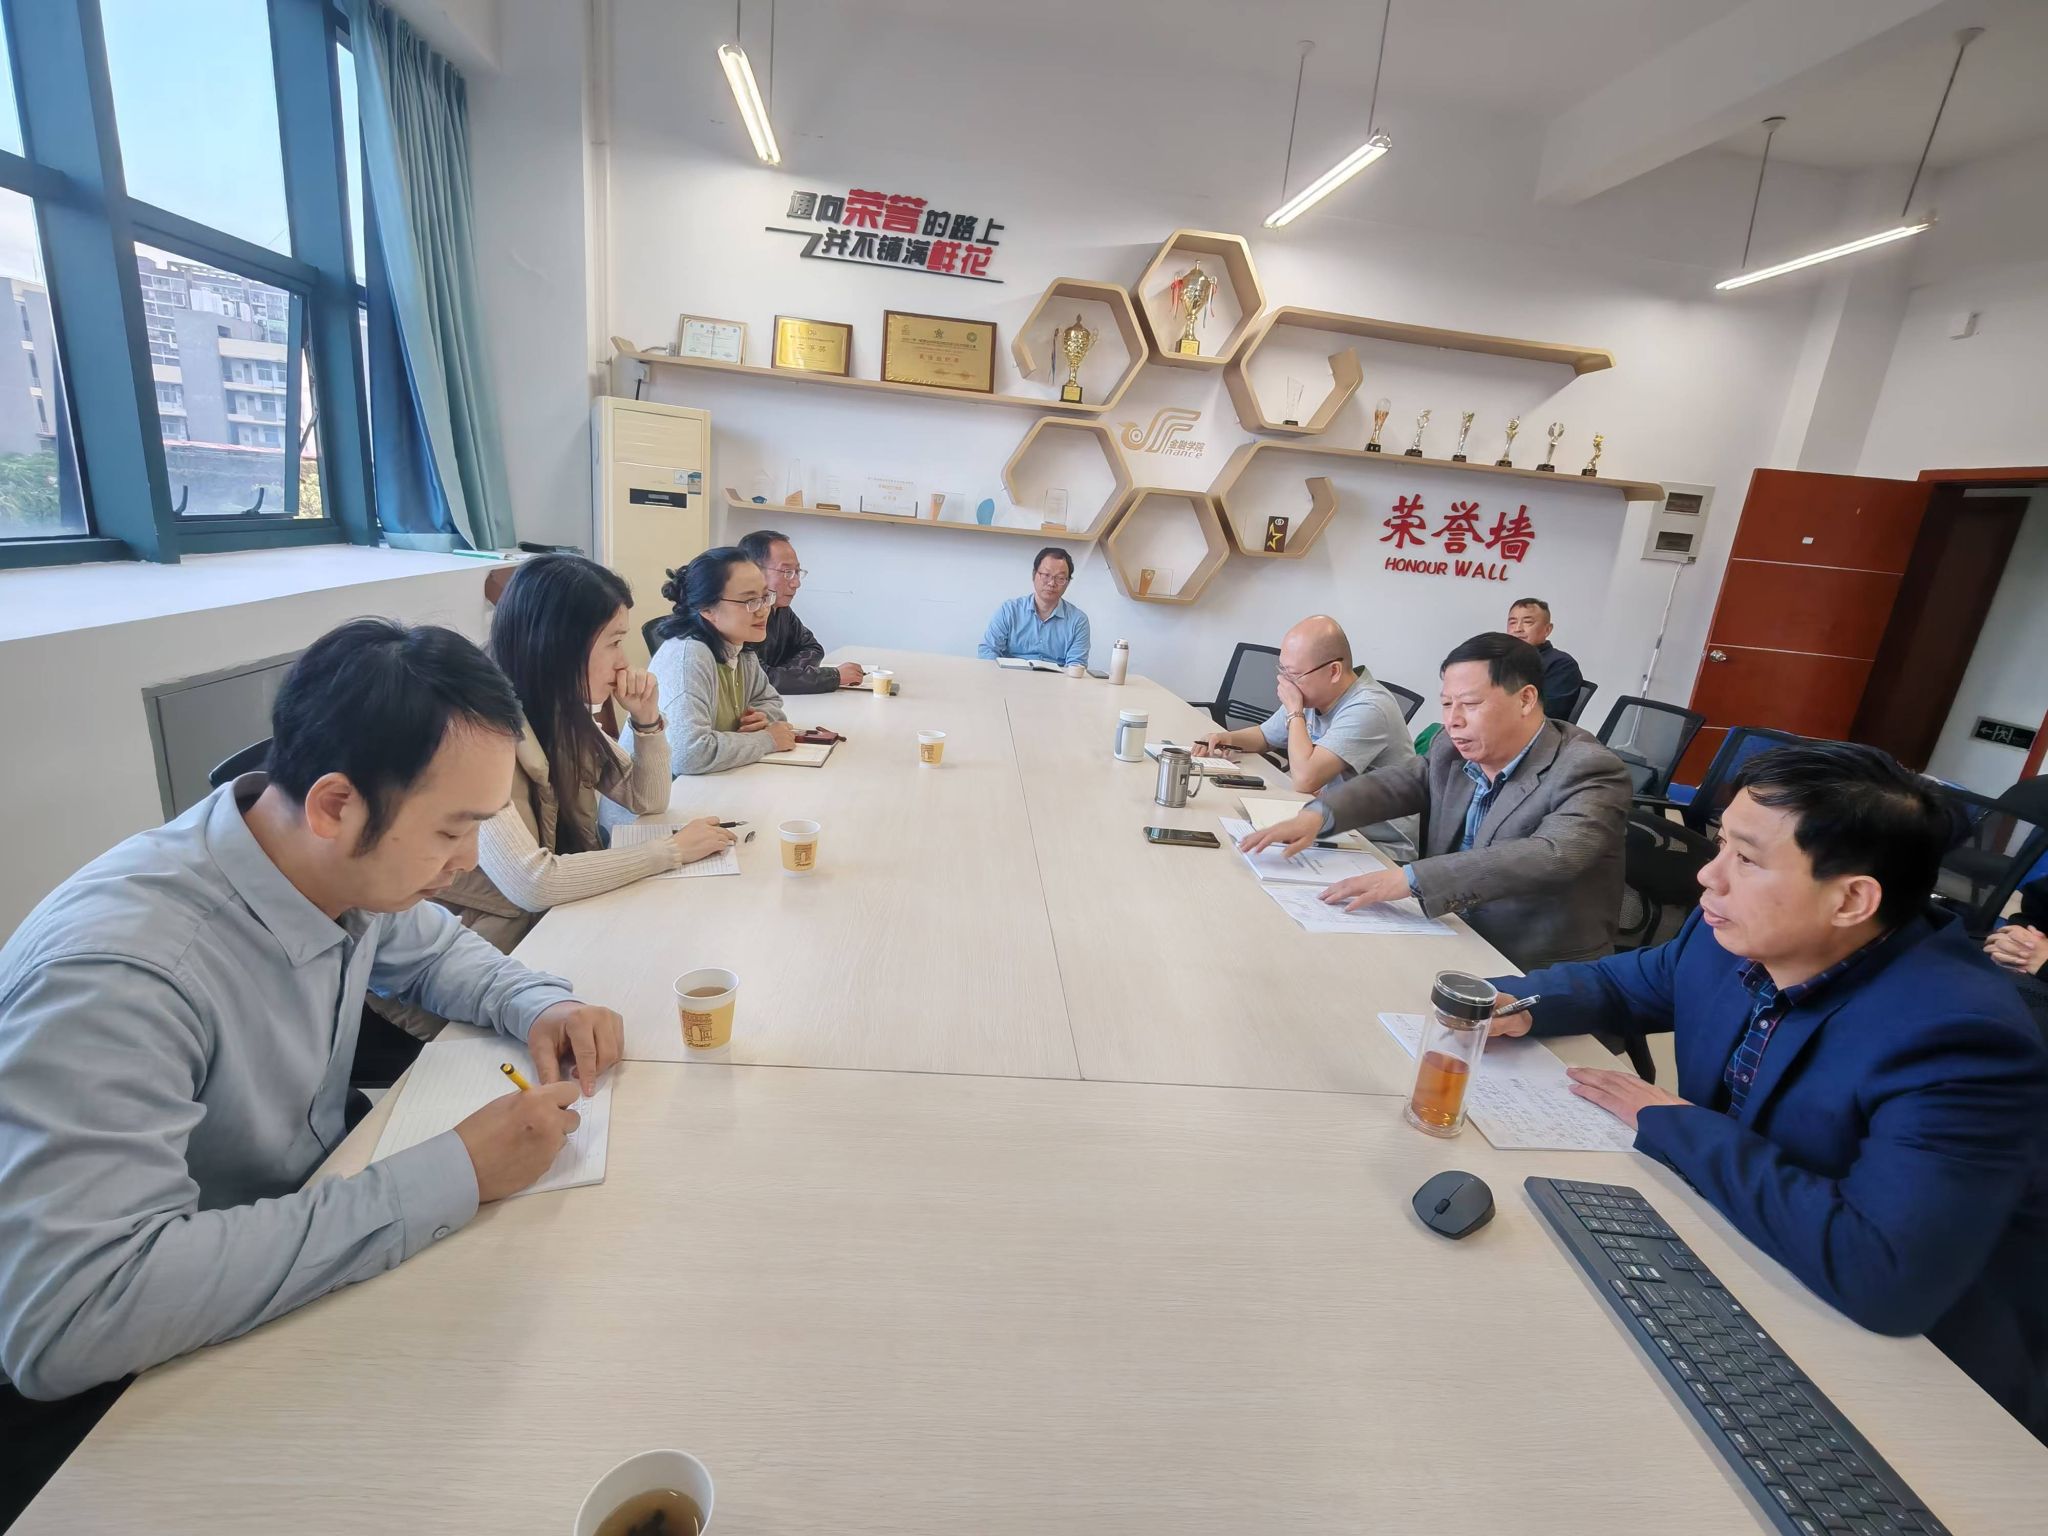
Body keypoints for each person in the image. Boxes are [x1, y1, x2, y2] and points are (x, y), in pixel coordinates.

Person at [0, 620, 627, 1513]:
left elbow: (438, 955)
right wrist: (458, 1170)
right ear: (336, 805)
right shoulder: (123, 974)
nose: (465, 864)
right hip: (127, 1391)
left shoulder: (321, 859)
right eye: (453, 831)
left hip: (291, 1247)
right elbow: (72, 1315)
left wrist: (541, 1003)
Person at [1484, 742, 2048, 1440]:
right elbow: (1625, 984)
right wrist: (1503, 1001)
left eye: (1746, 859)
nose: (1708, 875)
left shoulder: (1960, 1040)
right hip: (1737, 1256)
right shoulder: (1729, 933)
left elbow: (1883, 1275)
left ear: (1852, 899)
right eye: (1721, 844)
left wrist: (1676, 1124)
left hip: (1915, 1384)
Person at [1242, 632, 1631, 970]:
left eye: (1470, 704)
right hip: (1444, 928)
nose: (1452, 720)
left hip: (1530, 965)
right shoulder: (1452, 748)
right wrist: (1319, 816)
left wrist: (1412, 879)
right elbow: (1399, 783)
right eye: (1447, 704)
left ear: (1526, 699)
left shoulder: (1589, 769)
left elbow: (1552, 854)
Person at [433, 554, 734, 953]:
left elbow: (647, 799)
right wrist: (671, 851)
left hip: (555, 925)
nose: (624, 661)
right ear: (559, 644)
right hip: (494, 951)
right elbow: (532, 883)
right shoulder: (473, 732)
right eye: (614, 642)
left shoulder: (558, 707)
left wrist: (646, 721)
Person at [1192, 614, 1418, 855]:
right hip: (1333, 826)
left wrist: (1294, 711)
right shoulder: (1314, 695)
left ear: (1333, 671)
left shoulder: (1369, 707)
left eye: (1293, 675)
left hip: (1379, 848)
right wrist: (1227, 739)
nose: (1284, 683)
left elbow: (1305, 779)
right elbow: (1266, 736)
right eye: (1282, 671)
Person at [647, 547, 797, 774]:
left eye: (765, 597)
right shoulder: (689, 657)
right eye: (750, 600)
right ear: (707, 608)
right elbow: (687, 754)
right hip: (668, 792)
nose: (763, 610)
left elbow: (770, 700)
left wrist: (761, 717)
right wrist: (767, 739)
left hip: (714, 781)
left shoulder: (739, 648)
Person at [737, 529, 866, 695]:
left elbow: (813, 648)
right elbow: (758, 678)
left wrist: (787, 675)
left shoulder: (781, 609)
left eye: (797, 572)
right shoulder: (738, 615)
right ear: (753, 571)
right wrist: (833, 676)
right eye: (787, 572)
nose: (796, 583)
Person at [977, 546, 1090, 667]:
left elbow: (1076, 665)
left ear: (1067, 582)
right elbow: (988, 649)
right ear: (1034, 575)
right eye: (1046, 575)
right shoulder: (1009, 610)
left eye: (1060, 578)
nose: (1051, 583)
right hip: (1011, 675)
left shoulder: (1078, 621)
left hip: (1056, 678)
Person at [1505, 596, 1584, 719]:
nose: (1518, 629)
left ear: (1547, 630)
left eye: (1527, 622)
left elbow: (1548, 713)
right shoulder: (1500, 660)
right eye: (1512, 622)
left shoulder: (1561, 664)